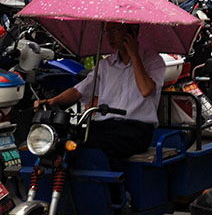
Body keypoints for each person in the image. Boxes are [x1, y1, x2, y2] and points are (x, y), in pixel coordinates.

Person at [35, 23, 166, 166]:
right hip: (105, 125)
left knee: (98, 146)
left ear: (132, 32)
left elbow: (146, 89)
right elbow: (78, 91)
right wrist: (52, 101)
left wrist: (134, 56)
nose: (109, 35)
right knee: (64, 141)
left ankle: (113, 187)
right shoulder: (105, 65)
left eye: (115, 30)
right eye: (107, 31)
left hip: (136, 129)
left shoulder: (153, 61)